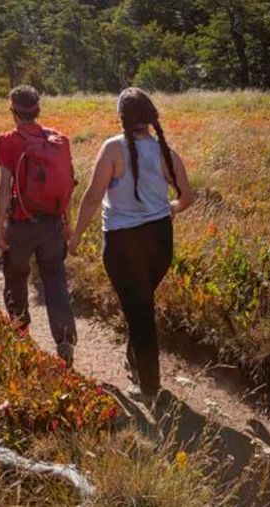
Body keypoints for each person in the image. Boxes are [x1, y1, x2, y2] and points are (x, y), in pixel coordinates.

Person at [68, 88, 194, 401]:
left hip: (122, 243)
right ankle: (136, 363)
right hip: (161, 240)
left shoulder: (112, 149)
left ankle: (149, 388)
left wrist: (77, 235)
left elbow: (94, 196)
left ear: (122, 117)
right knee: (140, 306)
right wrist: (170, 209)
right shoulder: (166, 151)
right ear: (151, 117)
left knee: (139, 313)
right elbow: (187, 197)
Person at [0, 85, 78, 366]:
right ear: (37, 109)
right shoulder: (59, 140)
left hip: (20, 224)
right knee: (54, 278)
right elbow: (67, 186)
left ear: (13, 111)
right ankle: (65, 337)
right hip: (52, 224)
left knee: (16, 276)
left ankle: (20, 334)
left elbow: (4, 187)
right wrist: (68, 222)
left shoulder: (8, 140)